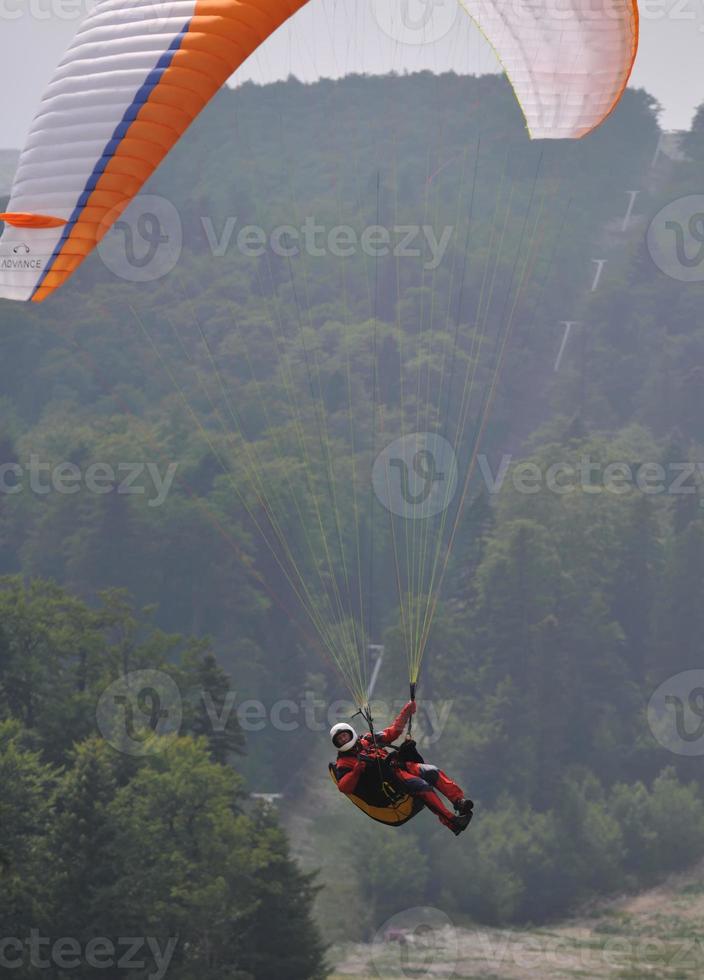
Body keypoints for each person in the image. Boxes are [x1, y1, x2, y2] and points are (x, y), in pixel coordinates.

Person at [330, 700, 473, 835]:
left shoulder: (367, 740)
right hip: (391, 784)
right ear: (337, 744)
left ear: (350, 733)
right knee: (423, 788)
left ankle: (459, 801)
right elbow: (344, 787)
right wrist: (356, 771)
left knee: (432, 772)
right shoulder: (344, 762)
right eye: (340, 739)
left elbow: (392, 733)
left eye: (344, 736)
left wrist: (406, 712)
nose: (343, 740)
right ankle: (452, 822)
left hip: (400, 768)